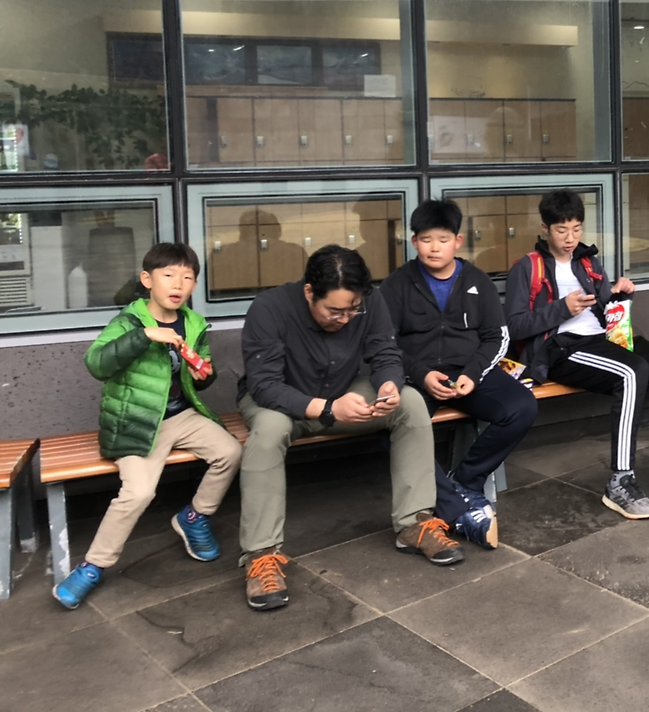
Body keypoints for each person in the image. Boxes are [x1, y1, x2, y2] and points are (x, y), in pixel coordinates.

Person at [237, 244, 462, 613]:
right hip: (281, 400)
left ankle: (415, 523)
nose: (345, 318)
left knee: (409, 402)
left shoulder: (368, 302)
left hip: (342, 390)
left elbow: (385, 352)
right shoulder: (269, 308)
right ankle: (261, 555)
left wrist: (388, 385)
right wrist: (327, 408)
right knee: (268, 431)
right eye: (335, 311)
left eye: (352, 310)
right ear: (309, 292)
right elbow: (264, 385)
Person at [505, 188, 649, 520]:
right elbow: (515, 326)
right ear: (545, 228)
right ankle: (620, 482)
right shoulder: (527, 268)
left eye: (576, 229)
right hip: (561, 348)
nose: (570, 238)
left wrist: (620, 296)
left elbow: (607, 310)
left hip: (604, 339)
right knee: (632, 372)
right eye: (562, 230)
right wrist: (562, 308)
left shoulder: (587, 261)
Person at [53, 243, 240, 609]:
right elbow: (96, 364)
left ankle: (194, 517)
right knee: (138, 493)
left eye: (187, 277)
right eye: (168, 275)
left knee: (230, 452)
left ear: (195, 285)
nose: (178, 284)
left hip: (181, 414)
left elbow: (202, 372)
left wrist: (204, 374)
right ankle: (93, 566)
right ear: (147, 279)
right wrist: (145, 336)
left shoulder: (194, 322)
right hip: (136, 420)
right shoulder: (129, 321)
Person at [380, 199, 537, 550]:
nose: (434, 247)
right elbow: (383, 343)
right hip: (417, 377)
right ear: (414, 241)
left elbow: (496, 336)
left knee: (522, 406)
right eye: (426, 239)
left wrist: (473, 373)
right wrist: (421, 374)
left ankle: (464, 480)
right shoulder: (397, 285)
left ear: (458, 241)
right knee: (396, 425)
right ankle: (457, 505)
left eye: (443, 239)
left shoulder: (476, 280)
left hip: (468, 372)